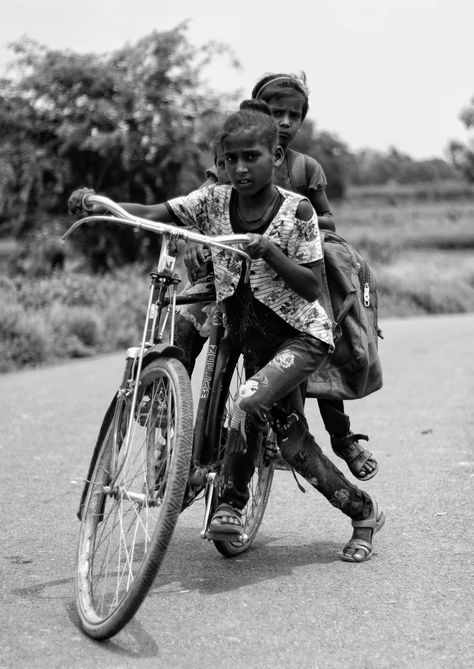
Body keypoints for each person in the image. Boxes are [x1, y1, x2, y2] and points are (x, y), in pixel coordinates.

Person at [68, 103, 384, 562]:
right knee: (294, 444)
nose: (239, 168)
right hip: (245, 333)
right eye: (230, 159)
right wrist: (103, 204)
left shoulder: (297, 212)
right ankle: (362, 510)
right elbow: (159, 211)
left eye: (250, 157)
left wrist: (270, 252)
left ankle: (232, 502)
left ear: (275, 156)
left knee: (250, 399)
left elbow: (312, 286)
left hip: (298, 337)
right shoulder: (213, 201)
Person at [189, 73, 378, 483]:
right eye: (277, 113)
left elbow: (326, 216)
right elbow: (199, 204)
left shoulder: (306, 167)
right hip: (231, 267)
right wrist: (195, 242)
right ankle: (168, 412)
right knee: (186, 323)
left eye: (295, 115)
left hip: (291, 268)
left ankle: (340, 436)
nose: (287, 121)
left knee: (323, 337)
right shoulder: (232, 160)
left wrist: (299, 213)